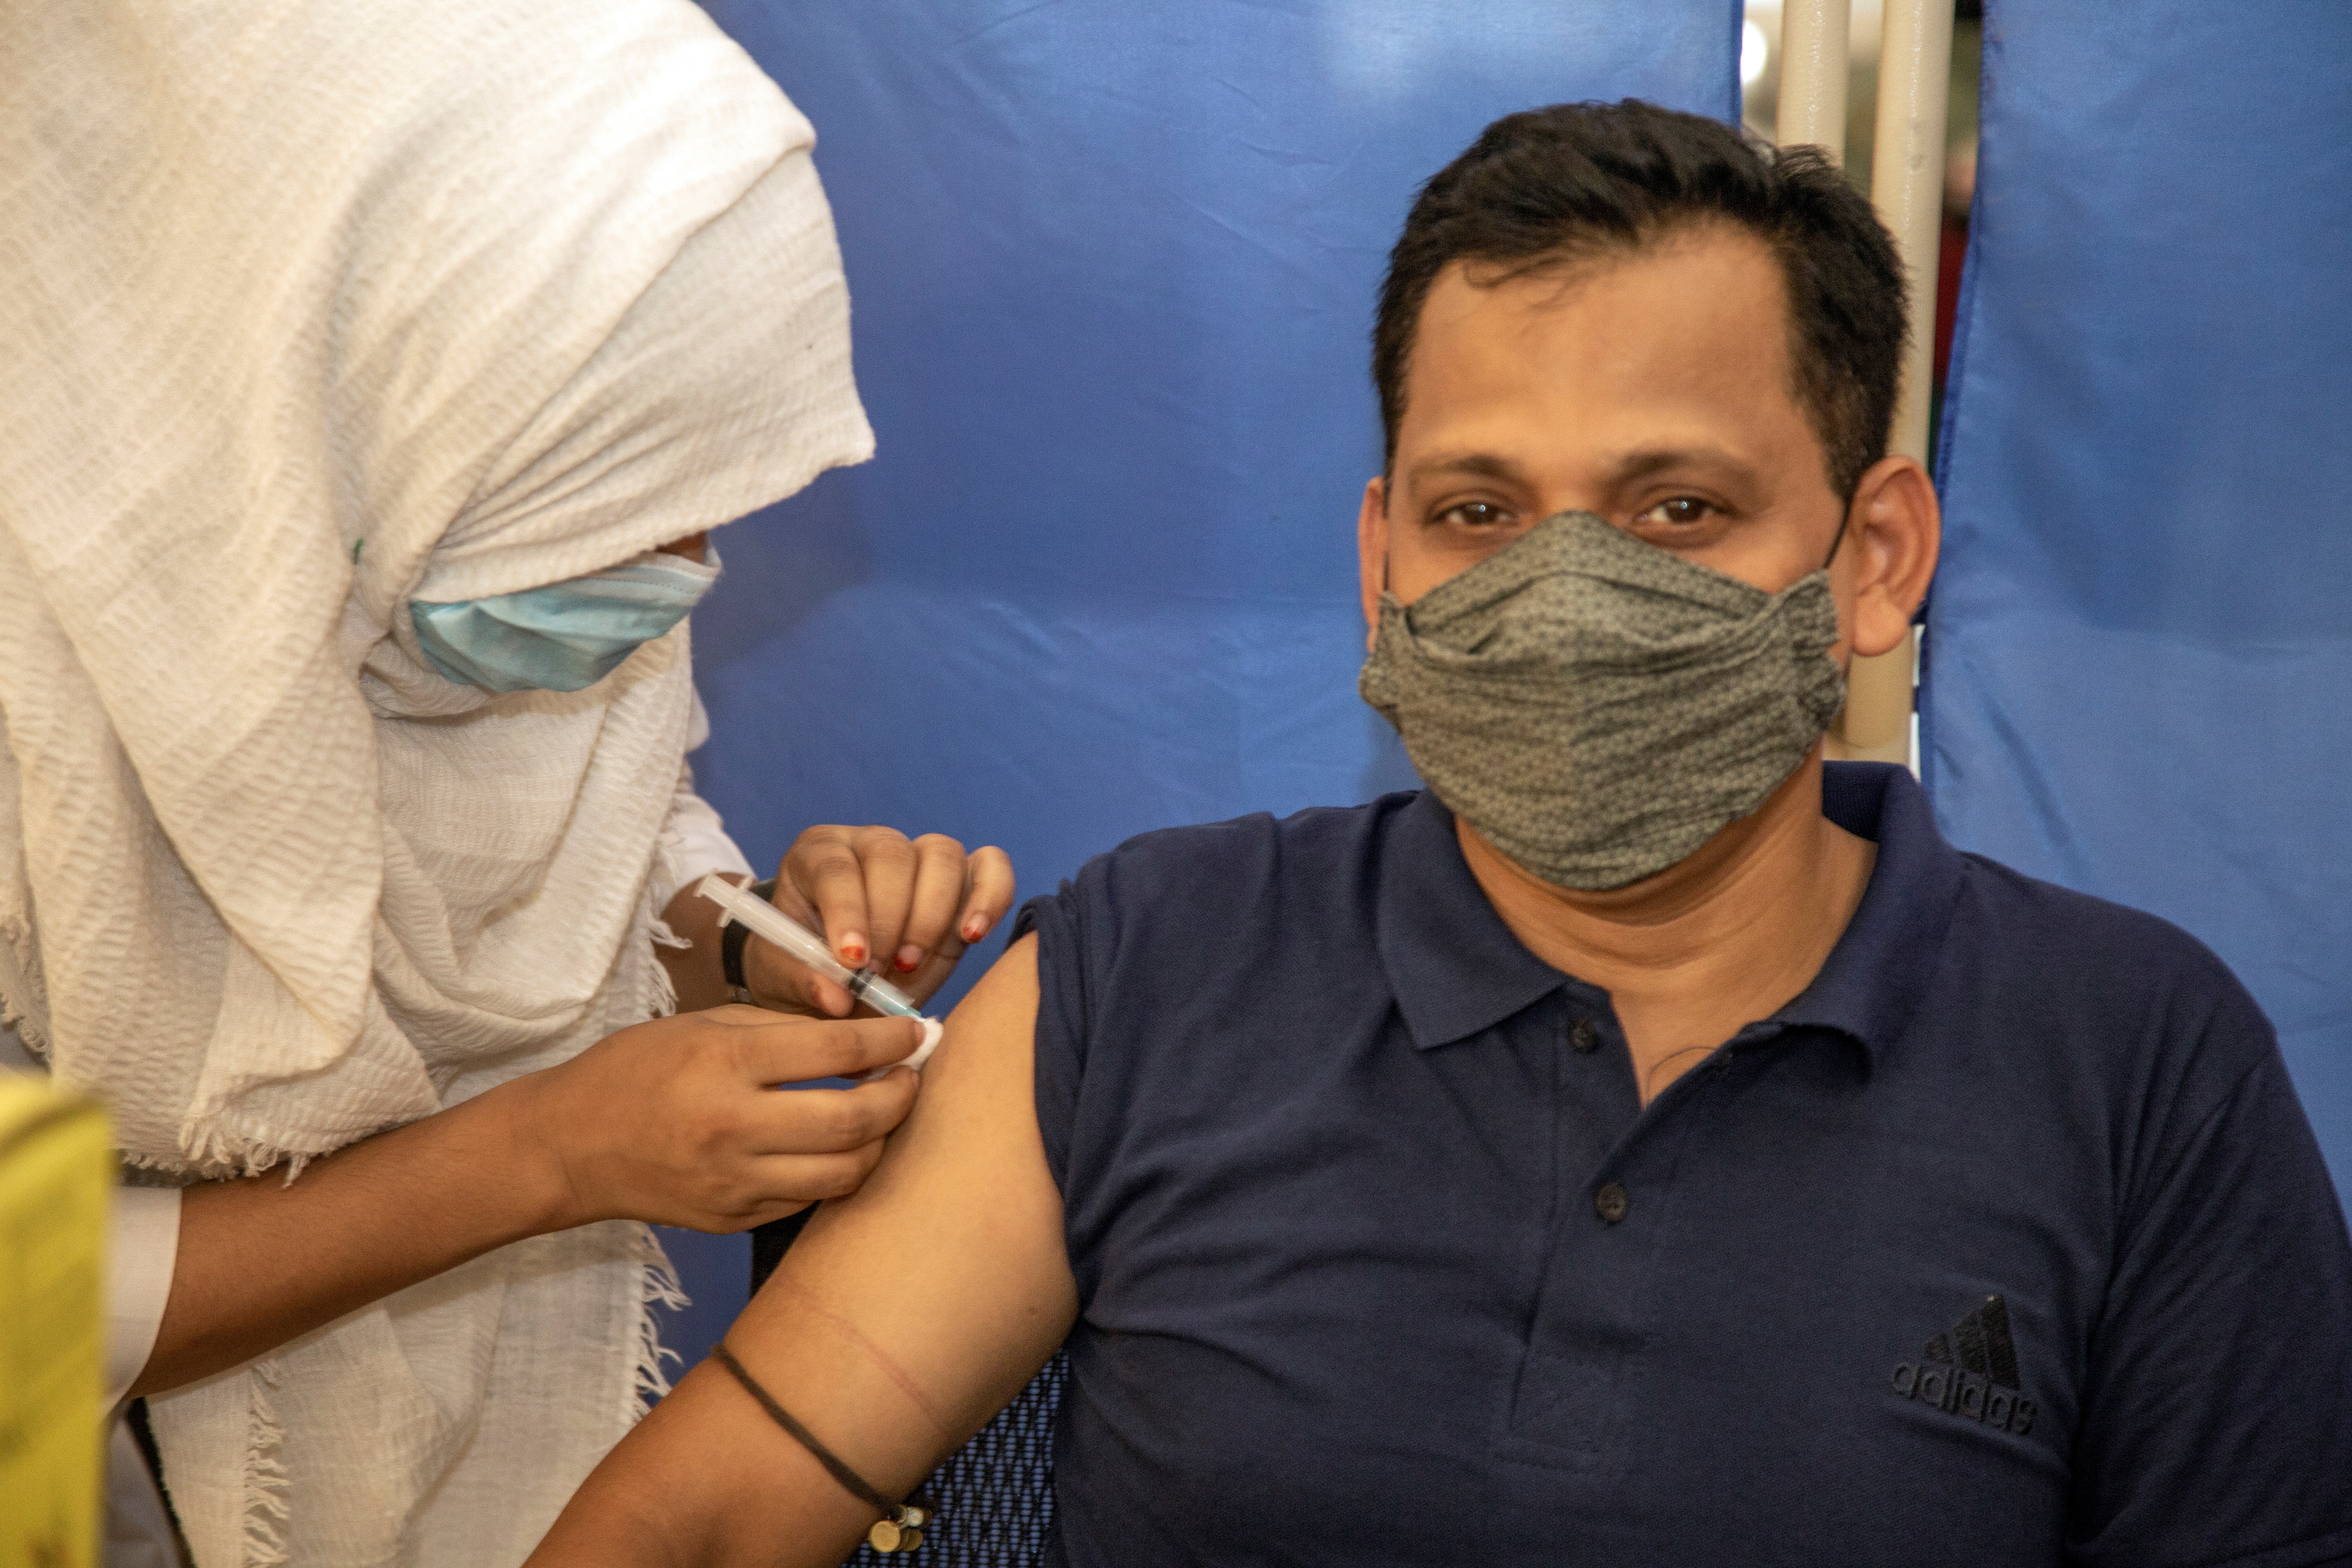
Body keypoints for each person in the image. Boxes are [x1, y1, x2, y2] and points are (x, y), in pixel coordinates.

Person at [535, 100, 2352, 1567]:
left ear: (1872, 561)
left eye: (1675, 508)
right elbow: (707, 1519)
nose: (1564, 597)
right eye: (1481, 509)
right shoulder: (1158, 970)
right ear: (1381, 562)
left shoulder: (2133, 1065)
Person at [0, 2, 1008, 1564]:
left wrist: (738, 938)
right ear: (361, 374)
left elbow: (582, 826)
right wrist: (547, 1154)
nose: (679, 578)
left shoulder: (411, 508)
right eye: (615, 501)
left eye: (697, 503)